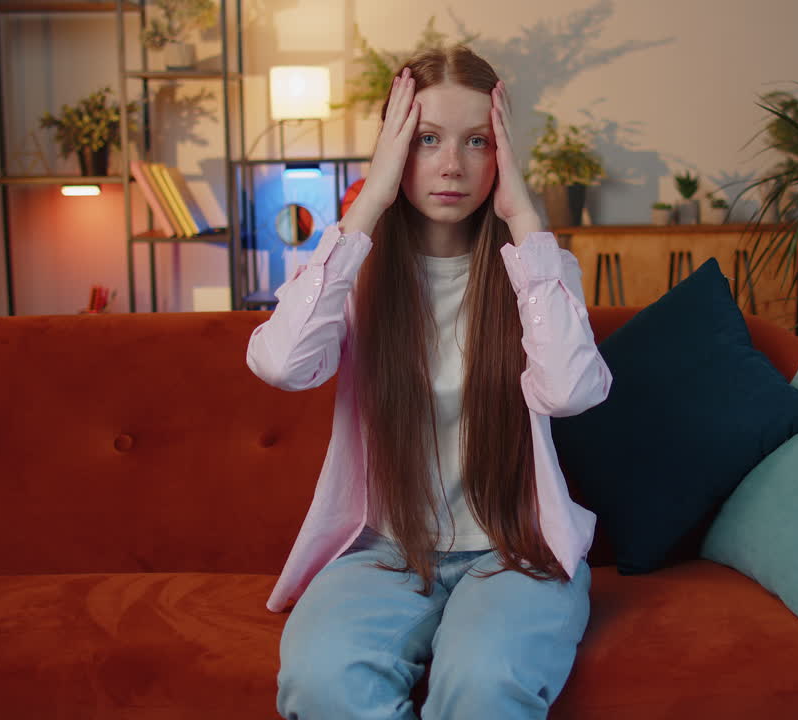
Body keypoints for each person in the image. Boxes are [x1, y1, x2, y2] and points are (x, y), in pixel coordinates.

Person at [246, 44, 612, 720]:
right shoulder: (356, 274)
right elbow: (282, 363)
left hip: (514, 550)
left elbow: (571, 392)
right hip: (387, 549)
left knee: (483, 684)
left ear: (501, 154)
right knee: (321, 680)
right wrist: (368, 205)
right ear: (392, 151)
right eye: (425, 141)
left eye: (477, 141)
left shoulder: (536, 273)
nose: (452, 165)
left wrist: (526, 220)